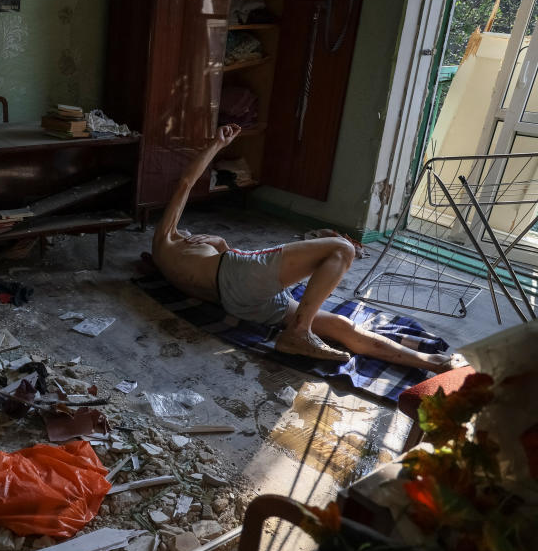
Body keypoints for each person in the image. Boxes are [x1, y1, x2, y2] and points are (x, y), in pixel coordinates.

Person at [152, 124, 455, 373]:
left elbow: (213, 279)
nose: (190, 231)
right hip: (239, 278)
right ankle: (298, 333)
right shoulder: (165, 239)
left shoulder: (177, 258)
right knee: (341, 249)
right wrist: (217, 144)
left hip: (241, 302)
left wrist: (219, 244)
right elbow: (185, 184)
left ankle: (432, 362)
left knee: (339, 325)